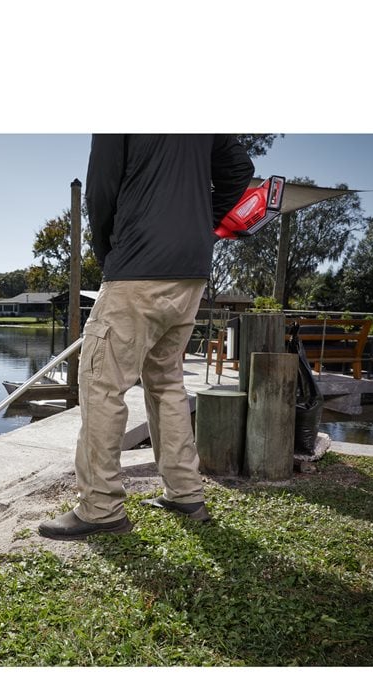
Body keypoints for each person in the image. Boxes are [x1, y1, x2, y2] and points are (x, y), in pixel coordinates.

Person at [38, 134, 254, 539]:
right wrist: (202, 224)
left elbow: (100, 191)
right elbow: (240, 169)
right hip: (191, 269)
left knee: (101, 384)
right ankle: (185, 493)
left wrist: (109, 255)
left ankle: (100, 508)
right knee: (167, 381)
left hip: (138, 264)